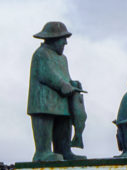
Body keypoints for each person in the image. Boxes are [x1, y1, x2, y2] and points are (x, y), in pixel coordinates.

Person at [27, 21, 87, 162]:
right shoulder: (41, 54)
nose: (65, 43)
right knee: (45, 123)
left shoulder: (63, 59)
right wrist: (62, 84)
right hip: (44, 103)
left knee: (64, 124)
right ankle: (43, 153)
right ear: (53, 39)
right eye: (63, 39)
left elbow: (65, 76)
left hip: (62, 102)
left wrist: (72, 83)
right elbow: (46, 74)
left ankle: (64, 150)